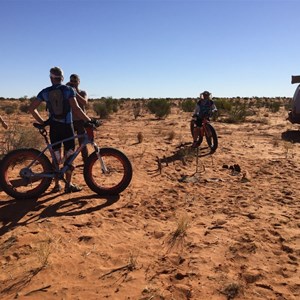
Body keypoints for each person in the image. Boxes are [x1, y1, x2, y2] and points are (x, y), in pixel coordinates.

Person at [29, 67, 93, 193]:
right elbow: (76, 109)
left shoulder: (45, 92)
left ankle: (56, 185)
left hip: (54, 128)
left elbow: (32, 108)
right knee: (69, 156)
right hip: (67, 127)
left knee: (55, 155)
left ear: (50, 78)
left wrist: (43, 122)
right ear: (62, 78)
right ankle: (68, 185)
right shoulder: (68, 90)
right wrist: (88, 120)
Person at [66, 74, 89, 164]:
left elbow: (84, 102)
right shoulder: (67, 92)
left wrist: (75, 92)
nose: (73, 83)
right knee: (70, 144)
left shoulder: (83, 92)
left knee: (82, 143)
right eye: (71, 81)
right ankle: (69, 163)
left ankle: (86, 161)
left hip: (80, 121)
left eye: (75, 81)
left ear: (79, 82)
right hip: (70, 121)